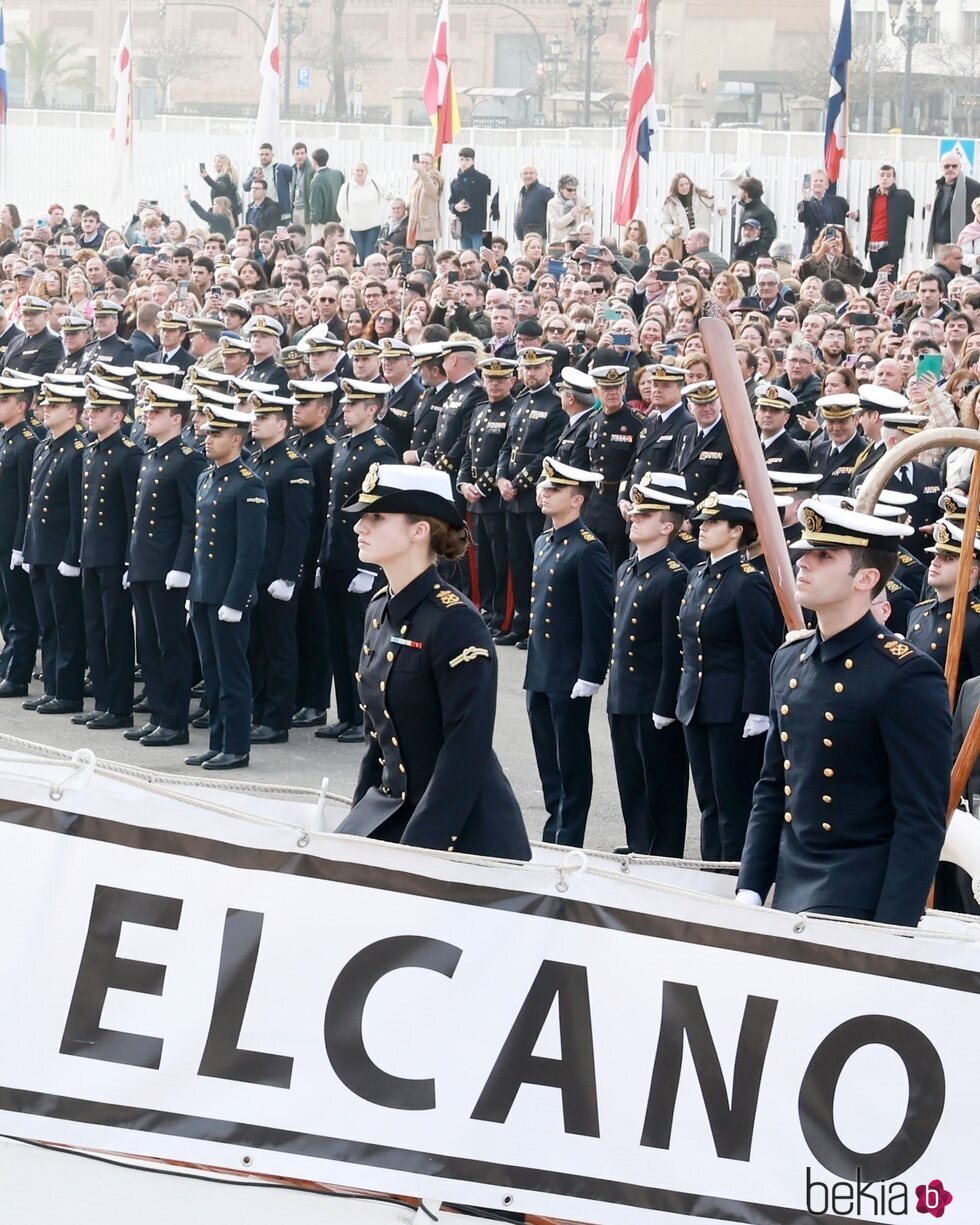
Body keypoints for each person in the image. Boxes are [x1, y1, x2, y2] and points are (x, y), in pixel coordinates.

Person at [737, 498, 951, 927]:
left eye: (824, 555)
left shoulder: (905, 676)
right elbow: (773, 786)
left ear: (866, 578)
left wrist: (891, 934)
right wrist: (750, 888)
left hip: (855, 897)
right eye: (806, 551)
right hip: (789, 882)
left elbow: (920, 819)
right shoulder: (789, 659)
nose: (804, 562)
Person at [337, 464, 529, 859]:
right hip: (394, 811)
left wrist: (422, 850)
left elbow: (465, 750)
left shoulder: (455, 621)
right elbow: (379, 737)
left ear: (419, 531)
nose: (360, 527)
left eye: (376, 517)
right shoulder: (379, 609)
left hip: (456, 833)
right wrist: (359, 818)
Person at [676, 491, 777, 862]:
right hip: (697, 703)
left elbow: (760, 650)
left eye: (713, 523)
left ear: (737, 531)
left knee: (732, 802)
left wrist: (758, 708)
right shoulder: (698, 575)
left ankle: (734, 872)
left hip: (731, 708)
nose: (703, 528)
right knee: (707, 801)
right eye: (702, 521)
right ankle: (710, 867)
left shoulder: (747, 581)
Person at [524, 458, 614, 846]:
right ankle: (552, 824)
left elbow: (598, 616)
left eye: (554, 488)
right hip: (541, 668)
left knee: (571, 759)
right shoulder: (544, 540)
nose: (544, 491)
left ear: (577, 500)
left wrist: (591, 674)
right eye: (544, 485)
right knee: (547, 758)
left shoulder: (588, 550)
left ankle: (569, 834)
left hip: (568, 672)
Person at [608, 473, 692, 856]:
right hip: (624, 693)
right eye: (634, 512)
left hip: (652, 697)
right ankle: (638, 842)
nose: (634, 518)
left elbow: (674, 650)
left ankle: (664, 851)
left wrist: (665, 705)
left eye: (645, 514)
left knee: (661, 780)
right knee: (631, 777)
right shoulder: (627, 569)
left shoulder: (674, 577)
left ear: (667, 526)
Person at [186, 399, 268, 771]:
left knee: (233, 673)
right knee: (212, 673)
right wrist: (194, 592)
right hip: (204, 591)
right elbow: (200, 542)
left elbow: (250, 551)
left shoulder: (248, 485)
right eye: (207, 433)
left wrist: (235, 599)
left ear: (236, 440)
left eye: (216, 434)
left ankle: (236, 746)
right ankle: (217, 741)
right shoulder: (206, 477)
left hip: (228, 596)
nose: (207, 439)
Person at [124, 383, 208, 747]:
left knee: (171, 646)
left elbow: (193, 520)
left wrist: (182, 566)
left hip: (168, 570)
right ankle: (158, 714)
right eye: (147, 411)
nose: (147, 416)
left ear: (176, 418)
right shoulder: (152, 454)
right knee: (149, 643)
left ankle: (174, 722)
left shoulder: (189, 459)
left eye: (155, 413)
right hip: (145, 564)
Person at [316, 379, 398, 743]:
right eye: (346, 403)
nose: (345, 409)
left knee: (359, 643)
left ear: (373, 409)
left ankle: (364, 718)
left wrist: (369, 568)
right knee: (336, 640)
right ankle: (345, 713)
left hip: (361, 559)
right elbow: (333, 511)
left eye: (355, 404)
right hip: (337, 554)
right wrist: (323, 558)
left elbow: (381, 510)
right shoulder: (344, 446)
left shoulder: (379, 451)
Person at [244, 388, 314, 745]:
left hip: (276, 574)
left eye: (264, 417)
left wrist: (289, 575)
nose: (255, 422)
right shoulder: (256, 460)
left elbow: (299, 526)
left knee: (279, 646)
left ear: (282, 424)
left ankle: (276, 718)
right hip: (255, 570)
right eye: (255, 416)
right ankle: (258, 710)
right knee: (257, 645)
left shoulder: (294, 464)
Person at [78, 379, 142, 729]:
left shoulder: (129, 453)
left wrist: (130, 561)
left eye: (98, 410)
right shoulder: (91, 450)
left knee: (116, 631)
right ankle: (103, 700)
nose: (91, 414)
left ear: (117, 416)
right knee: (95, 629)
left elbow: (134, 512)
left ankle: (119, 706)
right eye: (90, 408)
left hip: (115, 556)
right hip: (92, 553)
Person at [21, 381, 87, 715]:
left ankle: (69, 690)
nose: (46, 408)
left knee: (66, 624)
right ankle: (52, 687)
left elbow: (78, 512)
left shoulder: (77, 450)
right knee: (47, 623)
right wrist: (27, 548)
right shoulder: (45, 446)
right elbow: (33, 504)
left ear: (73, 413)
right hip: (40, 548)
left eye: (55, 405)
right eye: (46, 404)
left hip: (61, 551)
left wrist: (71, 556)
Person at [495, 345, 564, 645]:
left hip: (533, 496)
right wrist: (500, 477)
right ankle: (519, 623)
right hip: (510, 495)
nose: (531, 373)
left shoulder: (556, 403)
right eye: (527, 368)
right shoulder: (520, 400)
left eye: (537, 368)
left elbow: (548, 453)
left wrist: (518, 483)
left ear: (549, 369)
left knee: (537, 564)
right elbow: (506, 446)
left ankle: (536, 626)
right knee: (518, 563)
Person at [457, 356, 517, 636]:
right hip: (475, 499)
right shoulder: (480, 409)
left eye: (501, 378)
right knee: (479, 562)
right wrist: (462, 482)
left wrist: (481, 486)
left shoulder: (514, 410)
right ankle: (483, 610)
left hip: (495, 499)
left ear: (511, 381)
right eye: (490, 378)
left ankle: (502, 618)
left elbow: (506, 454)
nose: (494, 384)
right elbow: (469, 452)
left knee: (500, 560)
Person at [0, 375, 41, 697]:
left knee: (20, 611)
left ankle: (17, 674)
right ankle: (8, 662)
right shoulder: (6, 437)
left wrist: (18, 544)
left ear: (22, 406)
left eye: (5, 401)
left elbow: (28, 499)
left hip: (12, 538)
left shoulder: (27, 442)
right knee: (6, 607)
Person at [670, 379, 740, 506]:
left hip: (710, 513)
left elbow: (724, 485)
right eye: (700, 404)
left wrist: (693, 520)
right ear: (690, 407)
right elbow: (675, 471)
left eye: (711, 402)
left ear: (720, 404)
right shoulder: (686, 432)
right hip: (682, 510)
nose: (707, 408)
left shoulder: (731, 435)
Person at [927, 151, 980, 257]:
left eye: (954, 166)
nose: (950, 169)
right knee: (941, 273)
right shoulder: (938, 186)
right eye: (946, 166)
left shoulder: (973, 187)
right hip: (940, 242)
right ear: (941, 167)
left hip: (964, 242)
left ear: (960, 166)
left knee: (961, 273)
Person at [338, 163, 386, 265]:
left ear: (366, 172)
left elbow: (387, 195)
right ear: (353, 172)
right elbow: (340, 206)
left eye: (362, 170)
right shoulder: (346, 187)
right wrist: (349, 220)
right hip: (356, 227)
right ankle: (363, 271)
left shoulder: (374, 184)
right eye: (357, 170)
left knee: (369, 251)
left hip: (373, 225)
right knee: (361, 252)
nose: (359, 173)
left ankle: (367, 271)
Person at [796, 168, 851, 257]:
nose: (818, 183)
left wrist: (856, 214)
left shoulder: (839, 202)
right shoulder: (804, 204)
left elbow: (853, 212)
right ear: (810, 184)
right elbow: (801, 218)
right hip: (812, 249)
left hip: (834, 247)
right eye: (815, 181)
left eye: (821, 181)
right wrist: (806, 199)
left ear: (827, 185)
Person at [661, 172, 715, 260]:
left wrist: (720, 208)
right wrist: (673, 230)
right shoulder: (671, 201)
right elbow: (664, 223)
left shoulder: (702, 196)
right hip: (682, 241)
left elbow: (715, 203)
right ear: (676, 187)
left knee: (700, 264)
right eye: (681, 185)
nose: (685, 187)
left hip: (700, 241)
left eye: (687, 183)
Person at [448, 147, 492, 252]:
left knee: (482, 256)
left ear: (473, 161)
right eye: (462, 159)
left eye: (467, 160)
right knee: (466, 256)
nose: (464, 162)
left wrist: (494, 208)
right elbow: (451, 202)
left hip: (480, 225)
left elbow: (494, 194)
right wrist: (456, 207)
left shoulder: (482, 179)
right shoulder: (455, 182)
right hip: (463, 226)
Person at [406, 152, 445, 248]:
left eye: (427, 163)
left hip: (426, 224)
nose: (424, 165)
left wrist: (421, 172)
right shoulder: (417, 178)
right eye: (422, 162)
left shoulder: (434, 177)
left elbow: (431, 191)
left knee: (425, 253)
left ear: (432, 165)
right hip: (415, 223)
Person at [309, 147, 345, 242]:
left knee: (319, 249)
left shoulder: (316, 180)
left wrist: (314, 220)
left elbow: (316, 204)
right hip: (337, 219)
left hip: (322, 223)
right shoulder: (338, 174)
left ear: (314, 161)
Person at [514, 166, 554, 241]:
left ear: (536, 175)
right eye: (525, 173)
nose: (528, 175)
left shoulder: (543, 191)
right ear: (521, 176)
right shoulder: (523, 191)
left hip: (537, 237)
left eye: (531, 173)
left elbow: (556, 205)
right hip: (523, 236)